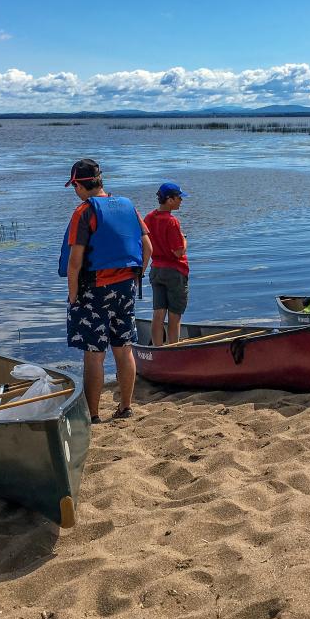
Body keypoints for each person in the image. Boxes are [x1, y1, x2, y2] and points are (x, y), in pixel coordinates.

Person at [59, 158, 152, 424]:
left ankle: (94, 415)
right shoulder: (128, 206)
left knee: (94, 355)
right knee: (124, 349)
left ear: (79, 184)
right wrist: (137, 275)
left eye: (74, 185)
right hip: (126, 288)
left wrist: (74, 296)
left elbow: (75, 262)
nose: (74, 191)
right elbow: (148, 249)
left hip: (95, 290)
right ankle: (125, 407)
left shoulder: (83, 212)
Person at [144, 182, 189, 346]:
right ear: (169, 200)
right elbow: (178, 252)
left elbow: (143, 242)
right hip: (174, 272)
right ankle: (172, 348)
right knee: (175, 315)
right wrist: (184, 240)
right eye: (179, 198)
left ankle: (157, 349)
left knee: (158, 313)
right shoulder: (172, 221)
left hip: (156, 269)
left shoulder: (149, 217)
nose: (181, 201)